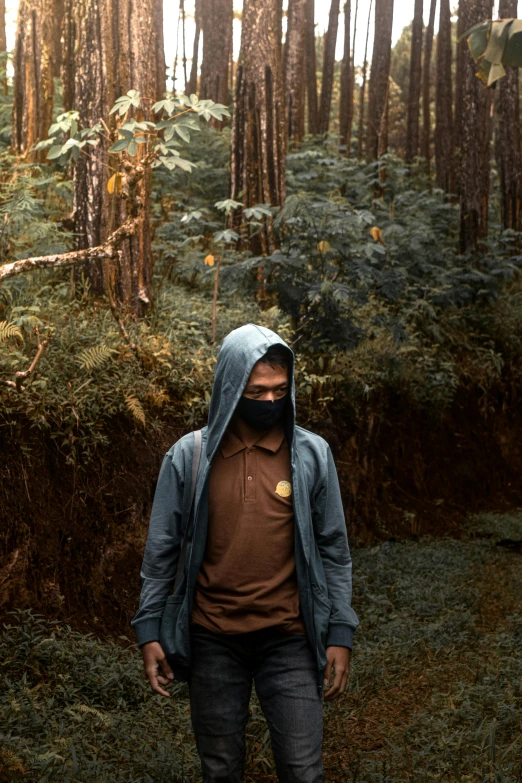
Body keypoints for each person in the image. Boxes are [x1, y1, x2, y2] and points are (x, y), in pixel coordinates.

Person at [130, 323, 359, 783]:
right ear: (232, 387)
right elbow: (161, 551)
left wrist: (340, 631)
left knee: (302, 770)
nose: (271, 401)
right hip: (212, 638)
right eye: (257, 391)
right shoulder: (188, 458)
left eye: (280, 390)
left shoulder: (312, 455)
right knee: (219, 770)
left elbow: (334, 549)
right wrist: (149, 627)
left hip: (290, 636)